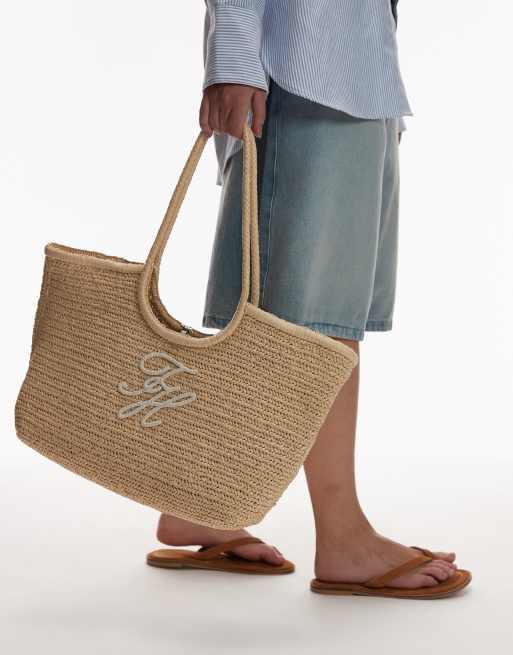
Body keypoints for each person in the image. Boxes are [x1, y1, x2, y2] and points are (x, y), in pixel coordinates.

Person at [150, 1, 471, 597]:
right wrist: (234, 60)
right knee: (312, 325)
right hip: (303, 71)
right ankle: (343, 536)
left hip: (358, 70)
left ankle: (200, 501)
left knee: (319, 313)